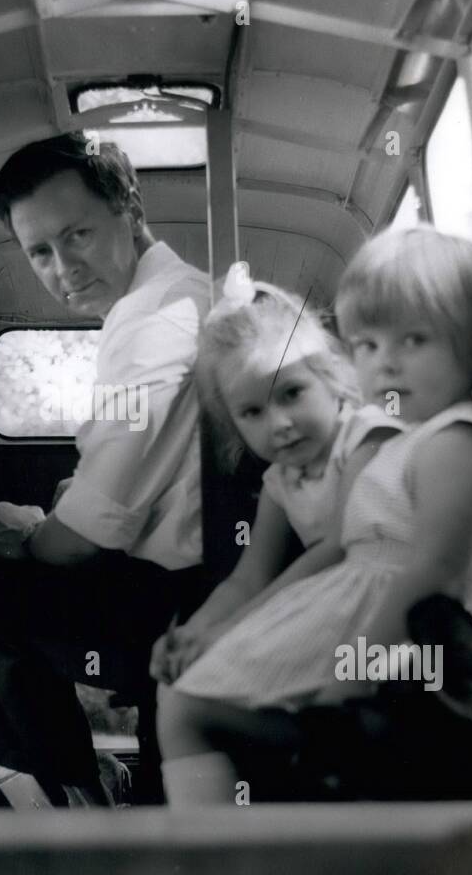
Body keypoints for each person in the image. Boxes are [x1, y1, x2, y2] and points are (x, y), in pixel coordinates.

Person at [156, 226, 472, 806]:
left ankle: (216, 860)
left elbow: (433, 573)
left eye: (414, 340)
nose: (386, 365)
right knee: (189, 704)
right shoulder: (413, 440)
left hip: (428, 648)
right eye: (368, 346)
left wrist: (352, 673)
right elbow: (265, 573)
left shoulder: (455, 441)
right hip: (377, 622)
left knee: (193, 710)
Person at [0, 132, 212, 807]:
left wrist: (30, 532)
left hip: (181, 593)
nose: (62, 265)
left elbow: (82, 541)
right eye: (40, 250)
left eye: (78, 234)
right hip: (191, 575)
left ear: (129, 206)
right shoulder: (177, 299)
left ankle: (75, 787)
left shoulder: (154, 322)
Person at [148, 262, 402, 686]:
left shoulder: (366, 438)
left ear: (332, 378)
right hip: (345, 611)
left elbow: (337, 548)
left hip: (396, 608)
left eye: (291, 393)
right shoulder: (281, 482)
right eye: (252, 412)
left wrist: (231, 631)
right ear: (234, 425)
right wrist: (194, 631)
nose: (279, 423)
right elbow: (248, 579)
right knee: (193, 686)